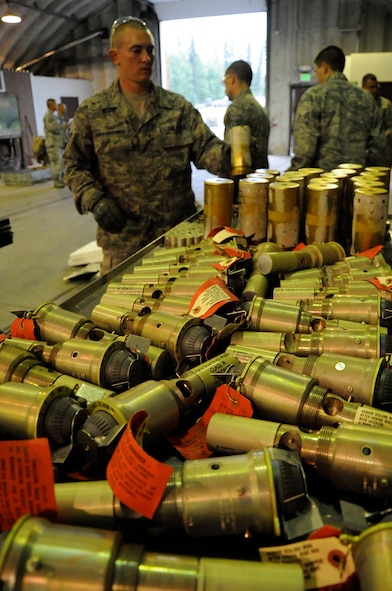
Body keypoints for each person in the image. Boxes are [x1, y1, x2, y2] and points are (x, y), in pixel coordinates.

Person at [64, 16, 231, 275]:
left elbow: (207, 149)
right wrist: (95, 200)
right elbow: (74, 166)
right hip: (123, 244)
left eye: (150, 50)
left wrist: (233, 157)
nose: (146, 58)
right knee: (121, 313)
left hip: (178, 239)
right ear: (114, 56)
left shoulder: (177, 109)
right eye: (137, 50)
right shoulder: (93, 113)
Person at [289, 45, 387, 172]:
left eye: (316, 70)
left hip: (321, 182)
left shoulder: (314, 96)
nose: (316, 75)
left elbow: (305, 148)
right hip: (357, 179)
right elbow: (379, 148)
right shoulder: (366, 98)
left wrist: (293, 176)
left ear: (324, 67)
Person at [223, 60, 270, 170]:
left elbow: (232, 154)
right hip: (260, 178)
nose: (224, 85)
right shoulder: (258, 107)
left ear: (232, 78)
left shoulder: (237, 108)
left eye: (225, 81)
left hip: (242, 182)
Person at [362, 73, 392, 167]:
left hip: (380, 152)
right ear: (364, 87)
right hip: (361, 151)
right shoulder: (358, 103)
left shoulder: (385, 104)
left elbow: (390, 126)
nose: (375, 90)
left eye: (376, 86)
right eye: (371, 87)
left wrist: (381, 136)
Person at [43, 98, 66, 188]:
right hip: (53, 144)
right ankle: (57, 181)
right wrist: (62, 126)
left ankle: (61, 180)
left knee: (61, 163)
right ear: (51, 105)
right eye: (55, 105)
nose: (56, 106)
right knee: (57, 163)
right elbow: (52, 127)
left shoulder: (53, 115)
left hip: (58, 143)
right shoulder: (49, 116)